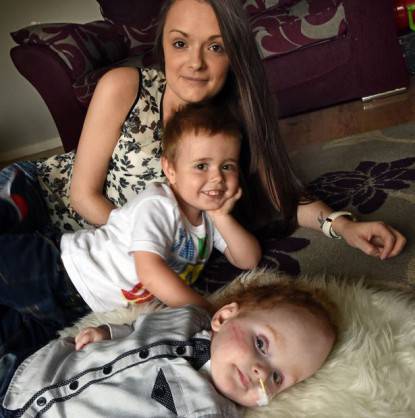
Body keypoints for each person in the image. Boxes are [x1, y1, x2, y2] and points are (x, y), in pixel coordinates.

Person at [0, 0, 406, 259]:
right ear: (162, 45)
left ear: (234, 55)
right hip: (37, 196)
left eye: (215, 47)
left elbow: (280, 195)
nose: (195, 62)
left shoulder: (234, 122)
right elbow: (82, 196)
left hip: (83, 255)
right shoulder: (124, 86)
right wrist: (153, 247)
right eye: (180, 44)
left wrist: (343, 226)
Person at [0, 101, 261, 367]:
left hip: (78, 307)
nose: (217, 178)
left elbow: (248, 259)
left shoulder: (208, 220)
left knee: (14, 344)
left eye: (227, 166)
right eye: (202, 166)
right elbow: (150, 271)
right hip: (60, 267)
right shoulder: (159, 204)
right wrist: (206, 311)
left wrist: (222, 215)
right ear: (170, 170)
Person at [0, 280, 337, 417]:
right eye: (261, 344)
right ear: (223, 317)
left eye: (277, 377)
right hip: (29, 374)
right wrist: (107, 331)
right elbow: (137, 327)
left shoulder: (209, 411)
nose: (261, 372)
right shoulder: (186, 318)